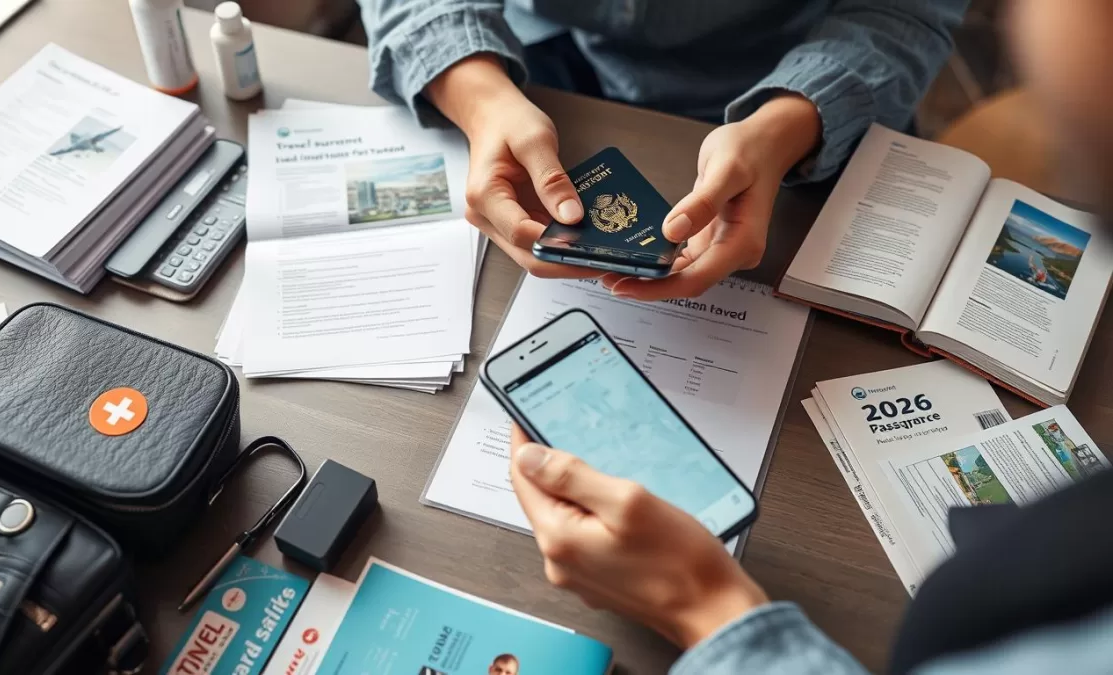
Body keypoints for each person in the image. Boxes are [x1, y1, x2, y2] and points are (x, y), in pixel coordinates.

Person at [501, 1, 1113, 667]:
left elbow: (908, 11)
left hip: (836, 126)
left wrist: (706, 607)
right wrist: (476, 91)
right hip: (559, 82)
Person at [356, 0, 967, 299]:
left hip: (806, 82)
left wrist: (788, 125)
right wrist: (479, 94)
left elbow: (906, 10)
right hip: (536, 60)